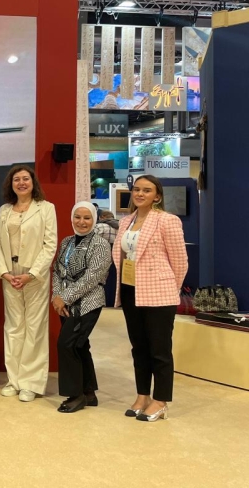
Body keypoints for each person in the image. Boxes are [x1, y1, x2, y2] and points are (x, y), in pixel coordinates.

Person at [112, 175, 188, 422]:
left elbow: (180, 261)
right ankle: (142, 395)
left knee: (160, 350)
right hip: (130, 289)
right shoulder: (126, 222)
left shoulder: (167, 220)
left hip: (159, 293)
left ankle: (161, 400)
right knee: (139, 347)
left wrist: (171, 288)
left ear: (157, 196)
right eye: (136, 189)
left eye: (147, 190)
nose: (140, 194)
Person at [0, 165, 57, 403]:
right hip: (10, 275)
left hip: (34, 276)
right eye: (16, 179)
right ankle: (14, 380)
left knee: (34, 328)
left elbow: (50, 245)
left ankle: (30, 382)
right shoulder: (4, 210)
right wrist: (4, 272)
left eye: (25, 179)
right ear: (10, 184)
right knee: (13, 328)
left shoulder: (46, 208)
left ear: (33, 182)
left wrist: (32, 274)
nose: (21, 183)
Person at [51, 202, 111, 413]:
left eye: (87, 218)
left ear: (94, 219)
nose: (82, 222)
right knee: (80, 345)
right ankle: (88, 392)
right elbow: (57, 271)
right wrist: (57, 297)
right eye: (77, 217)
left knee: (67, 345)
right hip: (65, 303)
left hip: (88, 303)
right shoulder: (66, 241)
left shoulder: (100, 244)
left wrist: (65, 297)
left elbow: (92, 277)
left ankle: (75, 395)